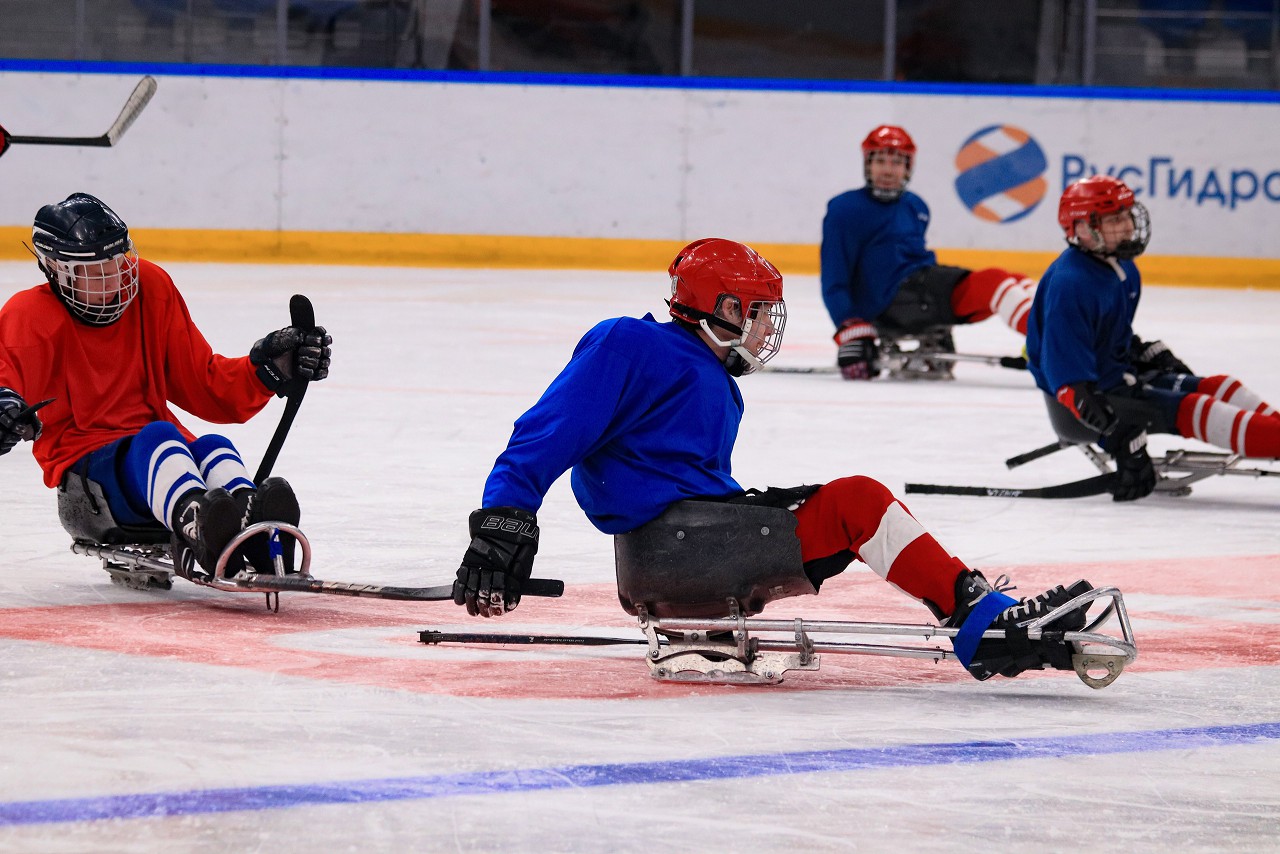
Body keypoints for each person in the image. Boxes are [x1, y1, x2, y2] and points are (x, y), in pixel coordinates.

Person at [453, 237, 1097, 681]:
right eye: (758, 313)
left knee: (842, 505)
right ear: (722, 308)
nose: (767, 328)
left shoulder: (708, 374)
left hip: (687, 543)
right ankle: (981, 622)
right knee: (856, 502)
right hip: (679, 550)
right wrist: (503, 521)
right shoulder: (633, 343)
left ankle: (976, 609)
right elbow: (545, 433)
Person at [0, 192, 332, 579]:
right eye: (96, 270)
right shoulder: (29, 316)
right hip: (90, 486)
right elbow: (5, 384)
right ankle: (201, 526)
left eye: (118, 262)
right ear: (55, 268)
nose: (114, 277)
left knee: (212, 446)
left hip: (161, 460)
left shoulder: (151, 288)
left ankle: (252, 526)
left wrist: (269, 370)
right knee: (159, 436)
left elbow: (206, 385)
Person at [1026, 175, 1280, 502]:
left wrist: (1140, 351)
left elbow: (1105, 335)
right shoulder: (1070, 284)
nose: (1127, 226)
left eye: (1126, 216)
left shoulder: (1122, 268)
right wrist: (1116, 434)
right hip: (1089, 407)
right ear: (1083, 228)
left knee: (1223, 386)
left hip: (1119, 380)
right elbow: (1069, 385)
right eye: (1114, 220)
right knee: (1200, 409)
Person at [820, 124, 1037, 380]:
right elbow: (834, 279)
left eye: (896, 162)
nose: (888, 170)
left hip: (919, 289)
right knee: (995, 282)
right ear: (868, 165)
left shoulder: (915, 206)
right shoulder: (845, 210)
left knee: (1017, 281)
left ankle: (1061, 335)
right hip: (890, 302)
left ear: (908, 168)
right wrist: (851, 330)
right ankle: (1056, 344)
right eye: (880, 161)